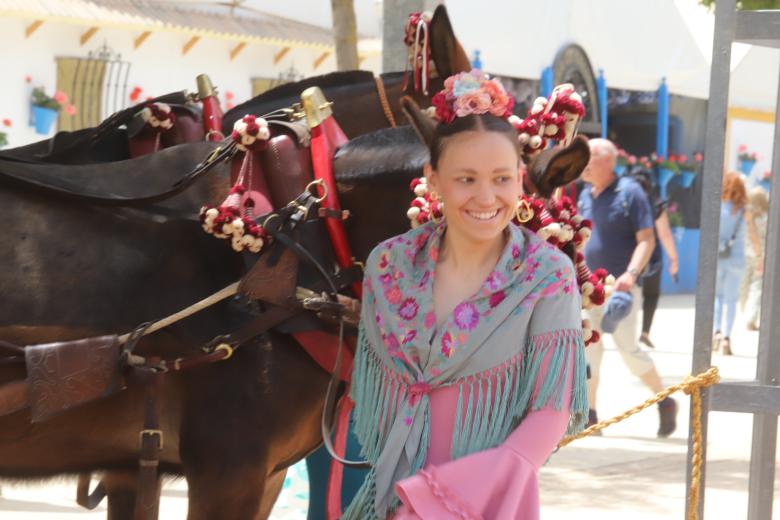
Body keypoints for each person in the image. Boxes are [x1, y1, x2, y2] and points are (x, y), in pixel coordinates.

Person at [342, 71, 588, 519]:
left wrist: (443, 500)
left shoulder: (546, 274)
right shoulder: (388, 264)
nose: (486, 196)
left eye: (500, 178)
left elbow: (551, 411)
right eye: (466, 179)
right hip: (389, 495)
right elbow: (376, 394)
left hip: (485, 501)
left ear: (518, 179)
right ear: (433, 180)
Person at [577, 139, 678, 438]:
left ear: (608, 160)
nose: (583, 163)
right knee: (590, 351)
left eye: (590, 157)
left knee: (628, 351)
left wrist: (631, 275)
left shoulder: (629, 193)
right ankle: (590, 417)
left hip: (620, 289)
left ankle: (665, 400)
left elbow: (647, 238)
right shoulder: (585, 194)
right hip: (589, 288)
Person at [627, 167, 680, 349]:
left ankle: (627, 334)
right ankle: (644, 333)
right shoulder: (656, 204)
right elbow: (665, 235)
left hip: (628, 257)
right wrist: (674, 259)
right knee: (651, 295)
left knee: (628, 293)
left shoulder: (626, 201)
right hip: (651, 258)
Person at [713, 172, 749, 355]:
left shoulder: (718, 208)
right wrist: (758, 256)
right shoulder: (744, 210)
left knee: (718, 296)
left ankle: (716, 332)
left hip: (718, 257)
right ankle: (727, 337)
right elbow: (754, 236)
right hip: (737, 259)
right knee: (731, 299)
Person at [743, 186, 769, 331]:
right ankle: (751, 318)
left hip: (746, 254)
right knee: (757, 287)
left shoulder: (747, 216)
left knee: (745, 286)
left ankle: (744, 314)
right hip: (761, 255)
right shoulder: (766, 218)